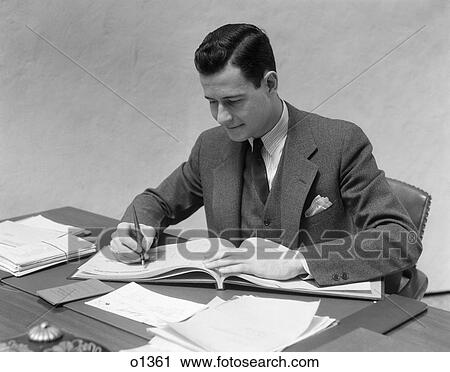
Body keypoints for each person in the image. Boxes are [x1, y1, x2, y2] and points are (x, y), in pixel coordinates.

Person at [110, 23, 421, 287]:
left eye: (233, 101)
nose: (221, 117)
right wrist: (134, 231)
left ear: (270, 83)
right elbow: (157, 202)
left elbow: (401, 239)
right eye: (211, 101)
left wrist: (300, 261)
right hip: (230, 310)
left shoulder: (340, 142)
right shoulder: (211, 146)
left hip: (318, 313)